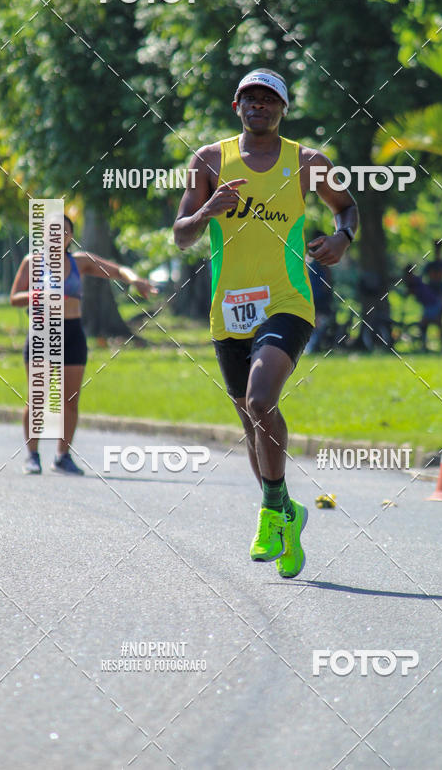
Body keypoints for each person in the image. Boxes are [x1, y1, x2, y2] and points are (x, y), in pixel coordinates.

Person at [173, 68, 357, 578]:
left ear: (282, 108)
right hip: (227, 311)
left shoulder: (309, 163)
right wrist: (208, 208)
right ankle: (284, 514)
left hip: (287, 301)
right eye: (250, 98)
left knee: (261, 401)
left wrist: (342, 239)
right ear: (237, 106)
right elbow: (181, 235)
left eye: (269, 99)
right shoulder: (208, 160)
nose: (259, 105)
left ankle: (271, 510)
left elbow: (347, 209)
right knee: (251, 424)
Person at [10, 214, 155, 475]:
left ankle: (62, 457)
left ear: (71, 235)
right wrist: (38, 294)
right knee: (38, 398)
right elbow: (14, 298)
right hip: (42, 333)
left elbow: (116, 269)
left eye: (64, 231)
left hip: (72, 333)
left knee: (70, 400)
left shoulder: (80, 262)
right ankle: (32, 455)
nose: (58, 235)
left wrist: (135, 280)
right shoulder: (31, 263)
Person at [402, 263, 442, 351]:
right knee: (430, 324)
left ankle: (426, 344)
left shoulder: (413, 281)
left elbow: (409, 292)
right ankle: (425, 344)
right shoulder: (415, 280)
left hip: (432, 304)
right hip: (430, 304)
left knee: (429, 323)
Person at [305, 230, 334, 354]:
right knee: (317, 322)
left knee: (317, 321)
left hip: (316, 295)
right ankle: (312, 345)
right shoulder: (318, 258)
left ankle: (312, 345)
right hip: (317, 295)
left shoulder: (316, 258)